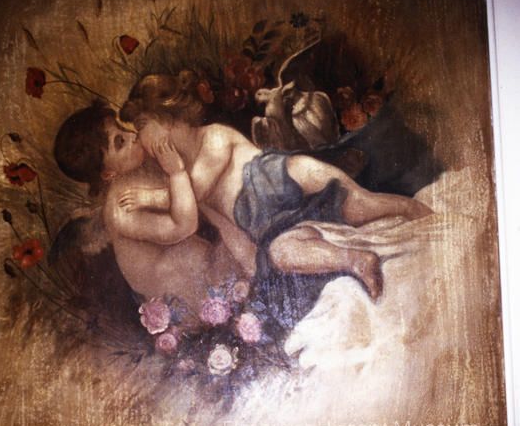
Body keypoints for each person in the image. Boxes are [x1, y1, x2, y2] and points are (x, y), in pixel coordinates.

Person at [118, 71, 433, 311]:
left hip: (291, 180)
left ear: (165, 120)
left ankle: (414, 210)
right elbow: (228, 228)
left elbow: (196, 187)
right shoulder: (187, 187)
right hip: (279, 225)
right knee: (281, 254)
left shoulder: (213, 137)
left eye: (142, 128)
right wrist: (254, 273)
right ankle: (358, 260)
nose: (141, 140)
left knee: (362, 205)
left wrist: (154, 195)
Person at [53, 101, 241, 329]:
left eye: (122, 128)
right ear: (108, 173)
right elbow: (184, 226)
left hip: (196, 263)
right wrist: (177, 173)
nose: (132, 136)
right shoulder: (120, 207)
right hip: (182, 291)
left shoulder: (138, 169)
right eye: (120, 142)